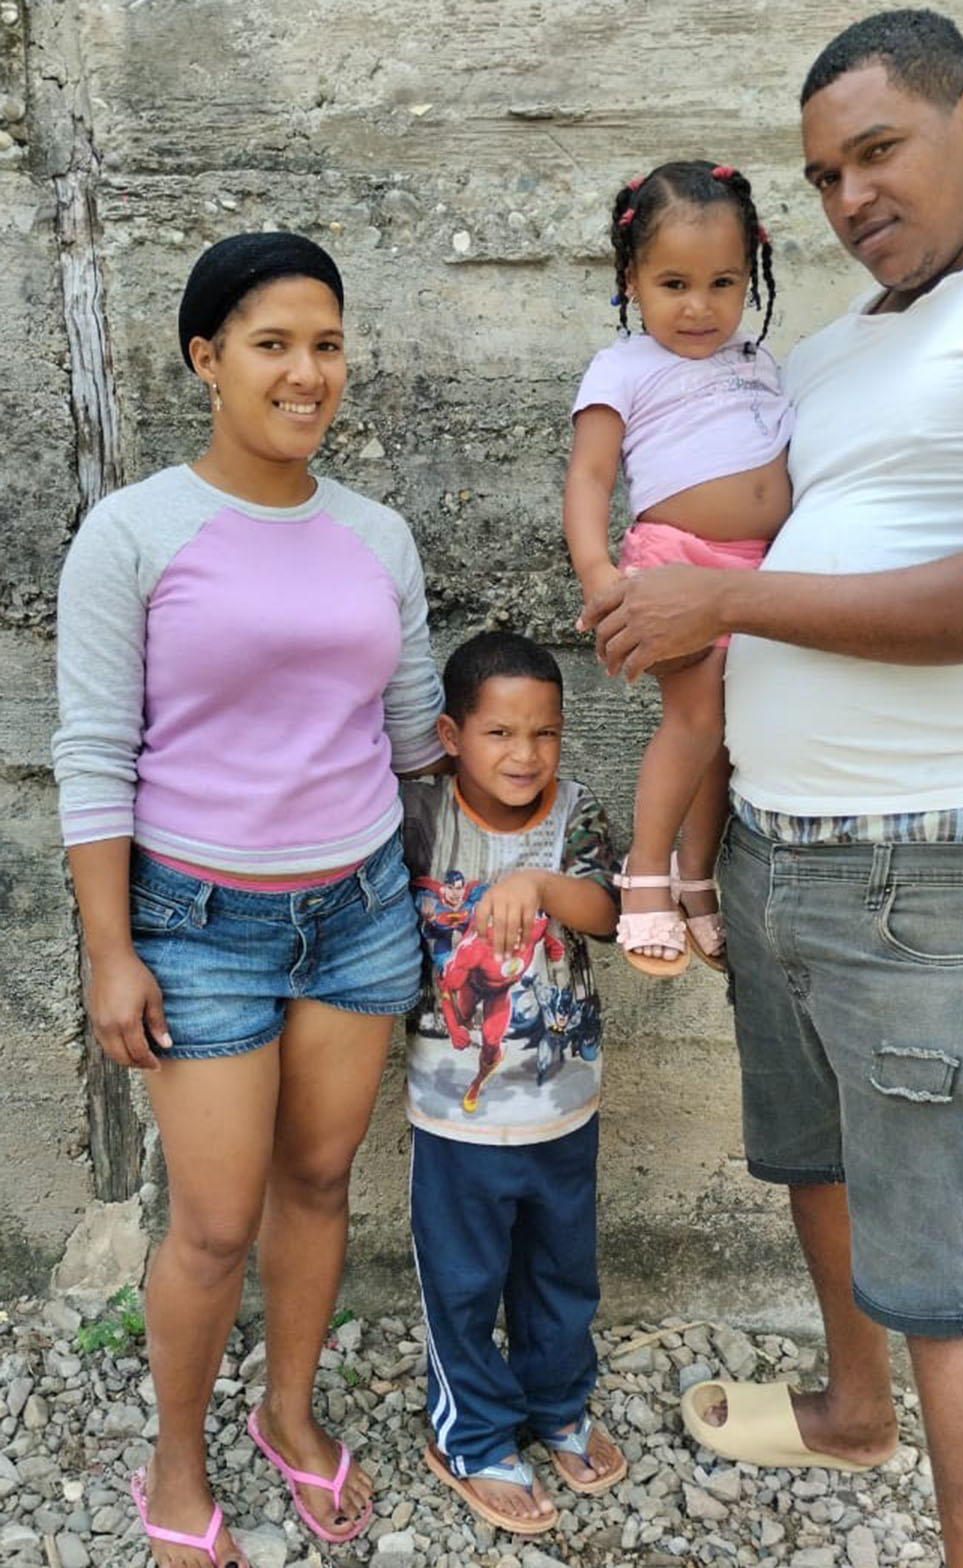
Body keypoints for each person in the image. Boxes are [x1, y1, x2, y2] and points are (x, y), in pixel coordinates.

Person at [582, 11, 963, 1567]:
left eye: (878, 152)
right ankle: (851, 1409)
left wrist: (727, 609)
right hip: (774, 844)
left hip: (926, 858)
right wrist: (614, 530)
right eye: (826, 175)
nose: (850, 198)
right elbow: (750, 503)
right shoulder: (830, 348)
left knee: (958, 1259)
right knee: (813, 1157)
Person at [52, 232, 445, 1568]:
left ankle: (288, 1412)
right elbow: (96, 754)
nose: (307, 371)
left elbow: (410, 739)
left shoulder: (376, 535)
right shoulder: (135, 533)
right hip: (197, 923)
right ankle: (177, 1456)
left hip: (357, 911)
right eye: (273, 344)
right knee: (214, 1221)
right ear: (205, 359)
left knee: (320, 1178)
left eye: (326, 343)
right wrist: (111, 950)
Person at [400, 631, 626, 1535]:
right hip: (457, 1122)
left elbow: (607, 912)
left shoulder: (575, 814)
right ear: (452, 735)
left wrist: (534, 881)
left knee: (562, 1273)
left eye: (545, 734)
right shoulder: (421, 818)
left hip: (565, 1105)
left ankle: (557, 1403)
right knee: (462, 1280)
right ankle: (473, 1434)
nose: (524, 755)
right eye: (499, 733)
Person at [564, 161, 793, 976]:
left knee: (725, 739)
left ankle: (699, 879)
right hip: (674, 562)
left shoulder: (760, 361)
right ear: (632, 279)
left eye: (722, 282)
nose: (699, 307)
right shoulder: (621, 367)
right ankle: (647, 875)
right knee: (693, 723)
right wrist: (600, 574)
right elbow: (591, 479)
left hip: (759, 571)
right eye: (674, 283)